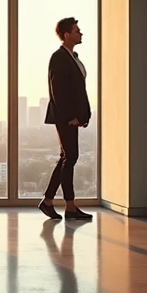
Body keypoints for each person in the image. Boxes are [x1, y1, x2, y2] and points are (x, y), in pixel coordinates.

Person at [38, 17, 92, 221]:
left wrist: (83, 115)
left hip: (73, 117)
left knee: (67, 157)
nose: (81, 33)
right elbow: (58, 90)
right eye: (77, 31)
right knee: (70, 157)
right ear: (67, 35)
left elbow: (79, 91)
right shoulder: (59, 57)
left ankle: (52, 202)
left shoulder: (73, 57)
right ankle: (64, 204)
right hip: (65, 117)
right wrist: (70, 116)